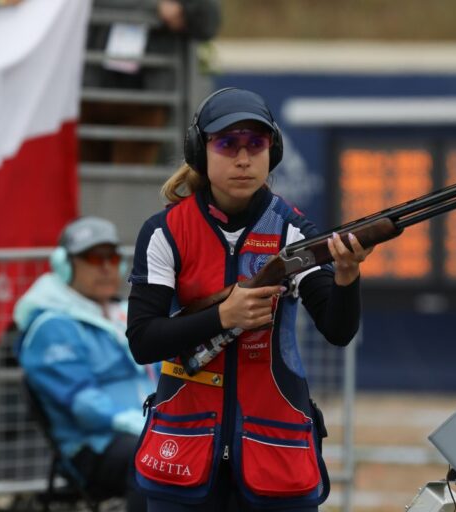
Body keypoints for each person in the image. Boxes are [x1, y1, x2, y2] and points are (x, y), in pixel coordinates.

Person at [126, 88, 373, 511]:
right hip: (183, 450)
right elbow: (143, 340)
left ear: (271, 152)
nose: (243, 158)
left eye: (255, 144)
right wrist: (224, 315)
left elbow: (337, 330)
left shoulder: (292, 230)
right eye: (227, 144)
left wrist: (348, 275)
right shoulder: (165, 231)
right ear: (199, 151)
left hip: (274, 450)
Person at [14, 217, 156, 512]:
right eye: (93, 257)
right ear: (64, 265)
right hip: (96, 446)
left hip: (148, 429)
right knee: (154, 457)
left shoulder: (122, 313)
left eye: (112, 257)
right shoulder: (52, 326)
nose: (105, 267)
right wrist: (134, 422)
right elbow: (83, 405)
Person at [80, 0, 222, 164]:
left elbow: (209, 20)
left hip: (148, 100)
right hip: (89, 94)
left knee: (132, 182)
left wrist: (182, 11)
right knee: (84, 180)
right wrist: (154, 8)